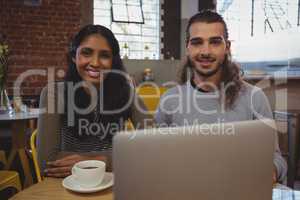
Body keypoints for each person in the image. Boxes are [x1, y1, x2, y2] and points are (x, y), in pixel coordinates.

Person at [154, 10, 287, 183]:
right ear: (188, 47)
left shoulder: (254, 98)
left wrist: (271, 170)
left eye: (215, 42)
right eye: (197, 42)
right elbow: (157, 157)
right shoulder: (169, 101)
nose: (206, 51)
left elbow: (277, 159)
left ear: (227, 47)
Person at [37, 24, 151, 178]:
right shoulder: (54, 93)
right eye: (86, 53)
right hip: (67, 182)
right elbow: (47, 161)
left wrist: (98, 160)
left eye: (104, 55)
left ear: (113, 61)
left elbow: (152, 145)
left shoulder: (126, 93)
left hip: (111, 181)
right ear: (73, 56)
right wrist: (116, 158)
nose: (95, 63)